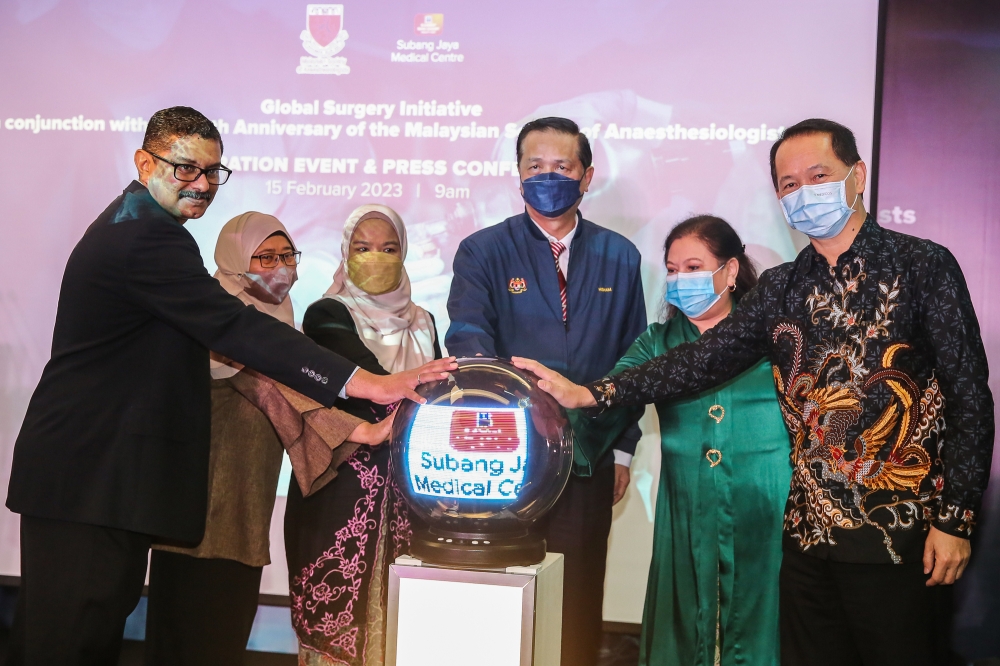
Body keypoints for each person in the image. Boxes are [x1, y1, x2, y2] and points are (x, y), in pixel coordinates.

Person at [514, 118, 994, 666]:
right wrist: (594, 393)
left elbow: (969, 397)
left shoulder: (923, 265)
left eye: (818, 176)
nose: (803, 193)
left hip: (900, 533)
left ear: (857, 176)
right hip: (807, 538)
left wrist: (954, 520)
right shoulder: (783, 287)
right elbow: (701, 360)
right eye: (789, 186)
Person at [3, 107, 455, 664]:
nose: (203, 185)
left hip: (98, 479)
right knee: (64, 645)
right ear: (145, 162)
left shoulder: (142, 226)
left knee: (73, 640)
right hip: (90, 478)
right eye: (185, 169)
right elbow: (235, 328)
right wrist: (364, 382)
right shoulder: (148, 238)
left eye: (214, 172)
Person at [142, 212, 392, 665]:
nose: (280, 268)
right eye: (264, 257)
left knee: (224, 642)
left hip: (244, 518)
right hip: (199, 522)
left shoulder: (278, 325)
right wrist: (362, 429)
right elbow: (275, 390)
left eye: (286, 256)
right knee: (187, 643)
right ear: (237, 260)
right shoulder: (216, 319)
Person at [445, 117, 647, 666]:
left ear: (586, 177)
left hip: (591, 452)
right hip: (506, 455)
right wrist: (507, 407)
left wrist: (625, 446)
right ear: (517, 175)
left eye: (562, 167)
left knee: (578, 595)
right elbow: (468, 336)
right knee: (502, 589)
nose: (548, 177)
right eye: (536, 167)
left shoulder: (620, 255)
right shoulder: (483, 250)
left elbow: (635, 358)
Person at [602, 216, 790, 665]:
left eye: (692, 267)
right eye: (672, 269)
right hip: (688, 508)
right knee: (685, 621)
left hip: (768, 509)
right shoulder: (658, 341)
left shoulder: (773, 334)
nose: (679, 279)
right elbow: (606, 396)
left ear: (728, 272)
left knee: (768, 622)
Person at [285, 204, 442, 666]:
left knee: (406, 618)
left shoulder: (425, 321)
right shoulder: (326, 315)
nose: (376, 257)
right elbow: (368, 378)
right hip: (343, 485)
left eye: (389, 248)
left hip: (412, 490)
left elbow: (443, 386)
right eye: (363, 248)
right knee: (336, 615)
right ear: (345, 252)